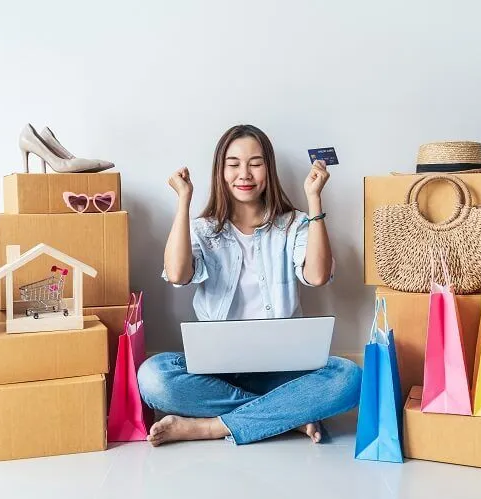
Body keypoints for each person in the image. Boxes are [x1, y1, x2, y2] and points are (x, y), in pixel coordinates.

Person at [137, 124, 362, 446]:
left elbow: (317, 276)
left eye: (255, 163)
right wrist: (183, 201)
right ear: (220, 171)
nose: (245, 173)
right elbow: (176, 275)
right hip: (217, 371)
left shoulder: (294, 224)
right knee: (154, 377)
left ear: (268, 170)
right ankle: (289, 416)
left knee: (349, 378)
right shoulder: (204, 230)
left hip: (283, 369)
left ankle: (211, 426)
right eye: (233, 164)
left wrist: (314, 201)